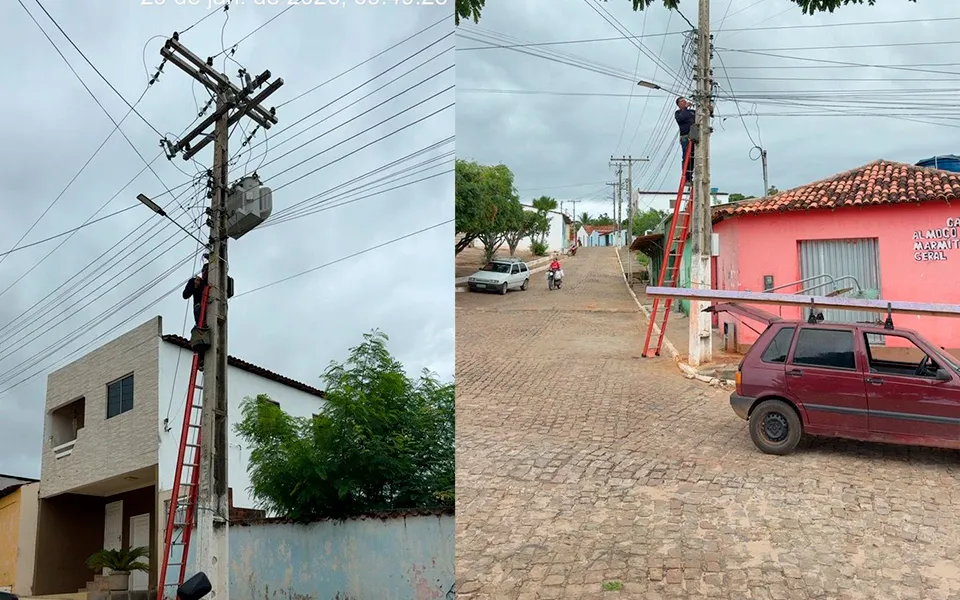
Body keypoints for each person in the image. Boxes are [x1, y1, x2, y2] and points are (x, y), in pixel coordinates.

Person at [675, 97, 695, 183]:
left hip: (695, 137)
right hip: (685, 137)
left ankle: (691, 176)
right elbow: (680, 119)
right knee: (686, 156)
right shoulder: (678, 113)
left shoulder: (692, 112)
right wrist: (685, 108)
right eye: (682, 101)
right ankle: (686, 177)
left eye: (685, 100)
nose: (685, 101)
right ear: (679, 104)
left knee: (694, 158)